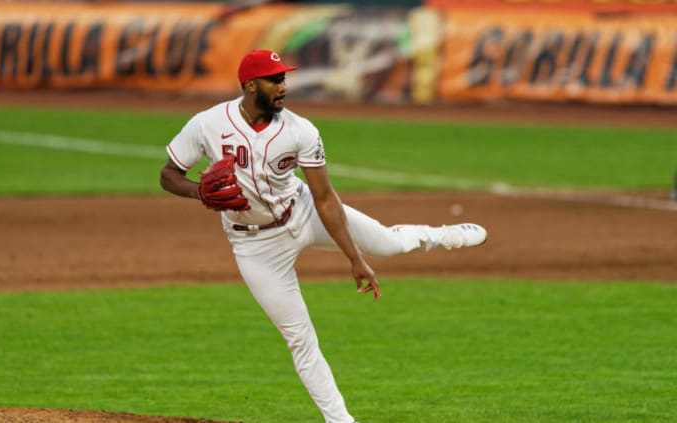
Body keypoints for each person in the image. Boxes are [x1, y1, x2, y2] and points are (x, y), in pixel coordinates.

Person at [159, 49, 487, 423]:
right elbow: (169, 174)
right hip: (254, 246)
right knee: (300, 339)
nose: (283, 86)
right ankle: (340, 421)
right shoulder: (208, 124)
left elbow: (325, 199)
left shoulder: (301, 131)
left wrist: (355, 258)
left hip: (302, 210)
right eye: (274, 79)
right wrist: (198, 192)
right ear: (250, 85)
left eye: (283, 78)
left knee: (388, 243)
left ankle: (441, 235)